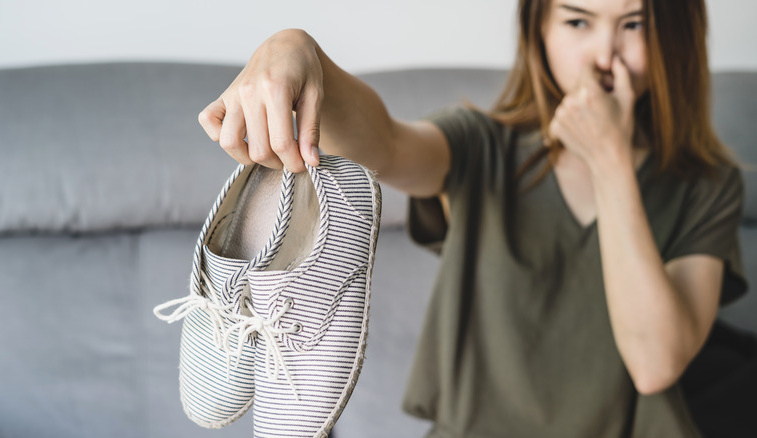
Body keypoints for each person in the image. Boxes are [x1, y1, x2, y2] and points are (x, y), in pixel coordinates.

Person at [196, 0, 754, 436]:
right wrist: (296, 49)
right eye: (579, 22)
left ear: (675, 38)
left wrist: (610, 159)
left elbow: (656, 363)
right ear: (540, 31)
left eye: (635, 24)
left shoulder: (707, 185)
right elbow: (386, 144)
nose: (604, 53)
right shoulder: (484, 146)